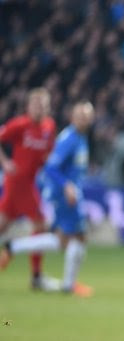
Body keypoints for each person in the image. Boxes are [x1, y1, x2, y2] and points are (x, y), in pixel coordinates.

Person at [0, 102, 96, 297]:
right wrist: (67, 186)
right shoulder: (69, 139)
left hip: (69, 192)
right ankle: (68, 285)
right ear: (72, 118)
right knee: (78, 235)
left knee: (62, 240)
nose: (83, 119)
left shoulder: (79, 138)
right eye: (80, 115)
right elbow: (51, 167)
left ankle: (13, 247)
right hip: (64, 194)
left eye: (86, 116)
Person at [0, 88, 57, 289]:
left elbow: (47, 154)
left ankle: (36, 276)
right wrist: (5, 162)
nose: (40, 108)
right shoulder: (20, 125)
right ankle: (36, 277)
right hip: (17, 182)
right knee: (40, 225)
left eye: (43, 104)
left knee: (3, 225)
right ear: (29, 106)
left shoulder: (49, 126)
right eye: (36, 104)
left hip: (27, 183)